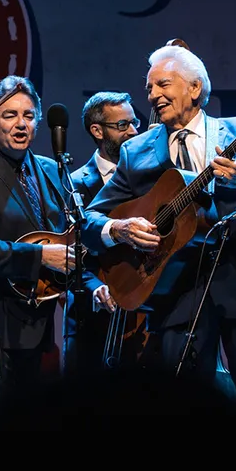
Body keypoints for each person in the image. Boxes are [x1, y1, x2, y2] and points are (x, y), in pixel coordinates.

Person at [82, 44, 236, 455]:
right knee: (185, 409)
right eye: (148, 88)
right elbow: (90, 218)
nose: (152, 95)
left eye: (163, 84)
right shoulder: (136, 150)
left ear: (195, 88)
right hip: (174, 289)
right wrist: (120, 228)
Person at [0, 76, 75, 457]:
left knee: (30, 434)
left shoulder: (52, 170)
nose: (21, 124)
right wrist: (41, 257)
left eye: (28, 115)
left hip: (36, 319)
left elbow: (68, 232)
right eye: (9, 115)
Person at [61, 92, 141, 376]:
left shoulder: (151, 177)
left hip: (143, 316)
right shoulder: (72, 185)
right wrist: (95, 285)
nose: (133, 132)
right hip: (92, 321)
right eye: (123, 126)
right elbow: (66, 252)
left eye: (135, 123)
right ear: (97, 131)